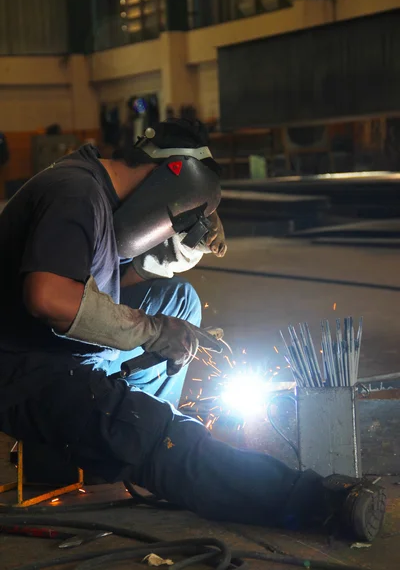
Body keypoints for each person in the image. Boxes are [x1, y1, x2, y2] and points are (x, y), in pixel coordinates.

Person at [0, 119, 385, 542]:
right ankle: (317, 501)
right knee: (154, 430)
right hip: (24, 370)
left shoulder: (92, 187)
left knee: (178, 300)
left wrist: (169, 258)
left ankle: (126, 446)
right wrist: (150, 331)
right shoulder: (76, 193)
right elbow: (49, 296)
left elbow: (98, 283)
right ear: (173, 177)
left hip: (53, 346)